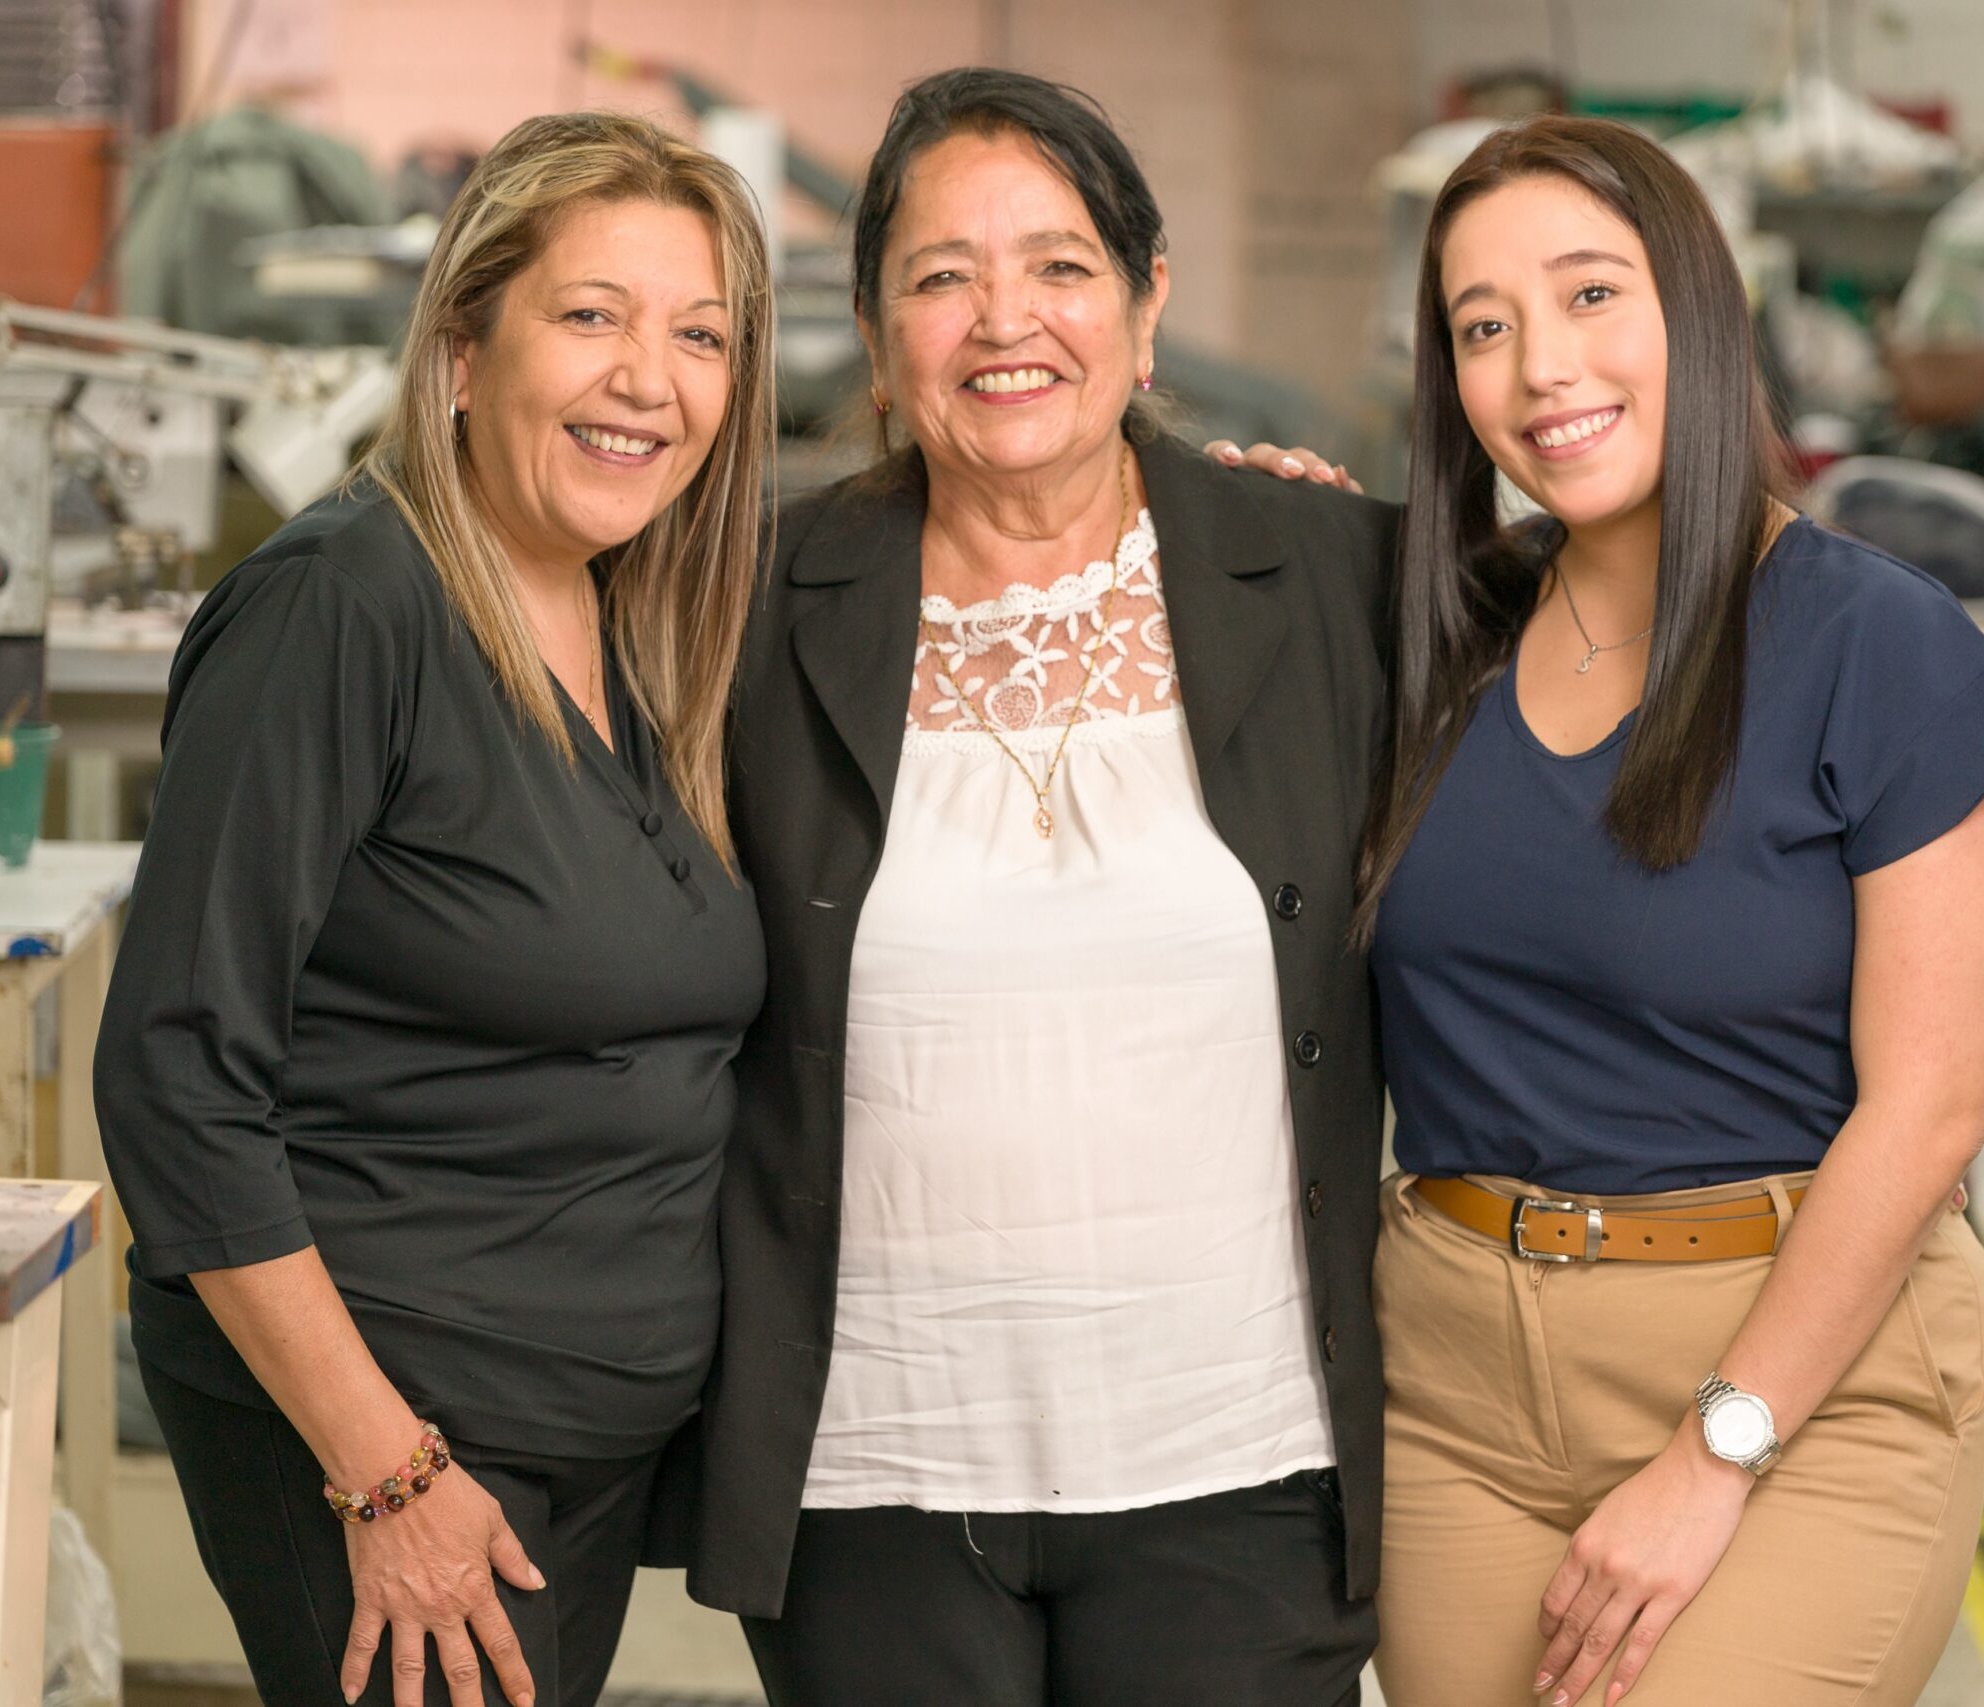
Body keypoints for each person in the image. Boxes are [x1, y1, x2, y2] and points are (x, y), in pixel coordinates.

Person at [686, 67, 1393, 1706]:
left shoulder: (1328, 582)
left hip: (1243, 1472)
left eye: (1061, 267)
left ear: (1148, 309)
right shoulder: (747, 608)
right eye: (942, 277)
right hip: (872, 1478)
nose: (1006, 321)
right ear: (875, 337)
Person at [1360, 117, 1984, 1706]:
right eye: (1484, 326)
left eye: (1592, 293)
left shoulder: (1877, 644)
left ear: (1699, 306)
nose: (1544, 364)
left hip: (1795, 1373)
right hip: (1457, 1384)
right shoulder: (1438, 638)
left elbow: (1935, 1103)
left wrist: (1716, 1445)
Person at [93, 112, 774, 1707]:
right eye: (590, 315)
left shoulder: (646, 626)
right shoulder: (348, 604)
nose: (648, 379)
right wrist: (384, 1470)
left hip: (574, 1452)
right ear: (463, 349)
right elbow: (179, 1071)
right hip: (393, 1431)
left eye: (698, 334)